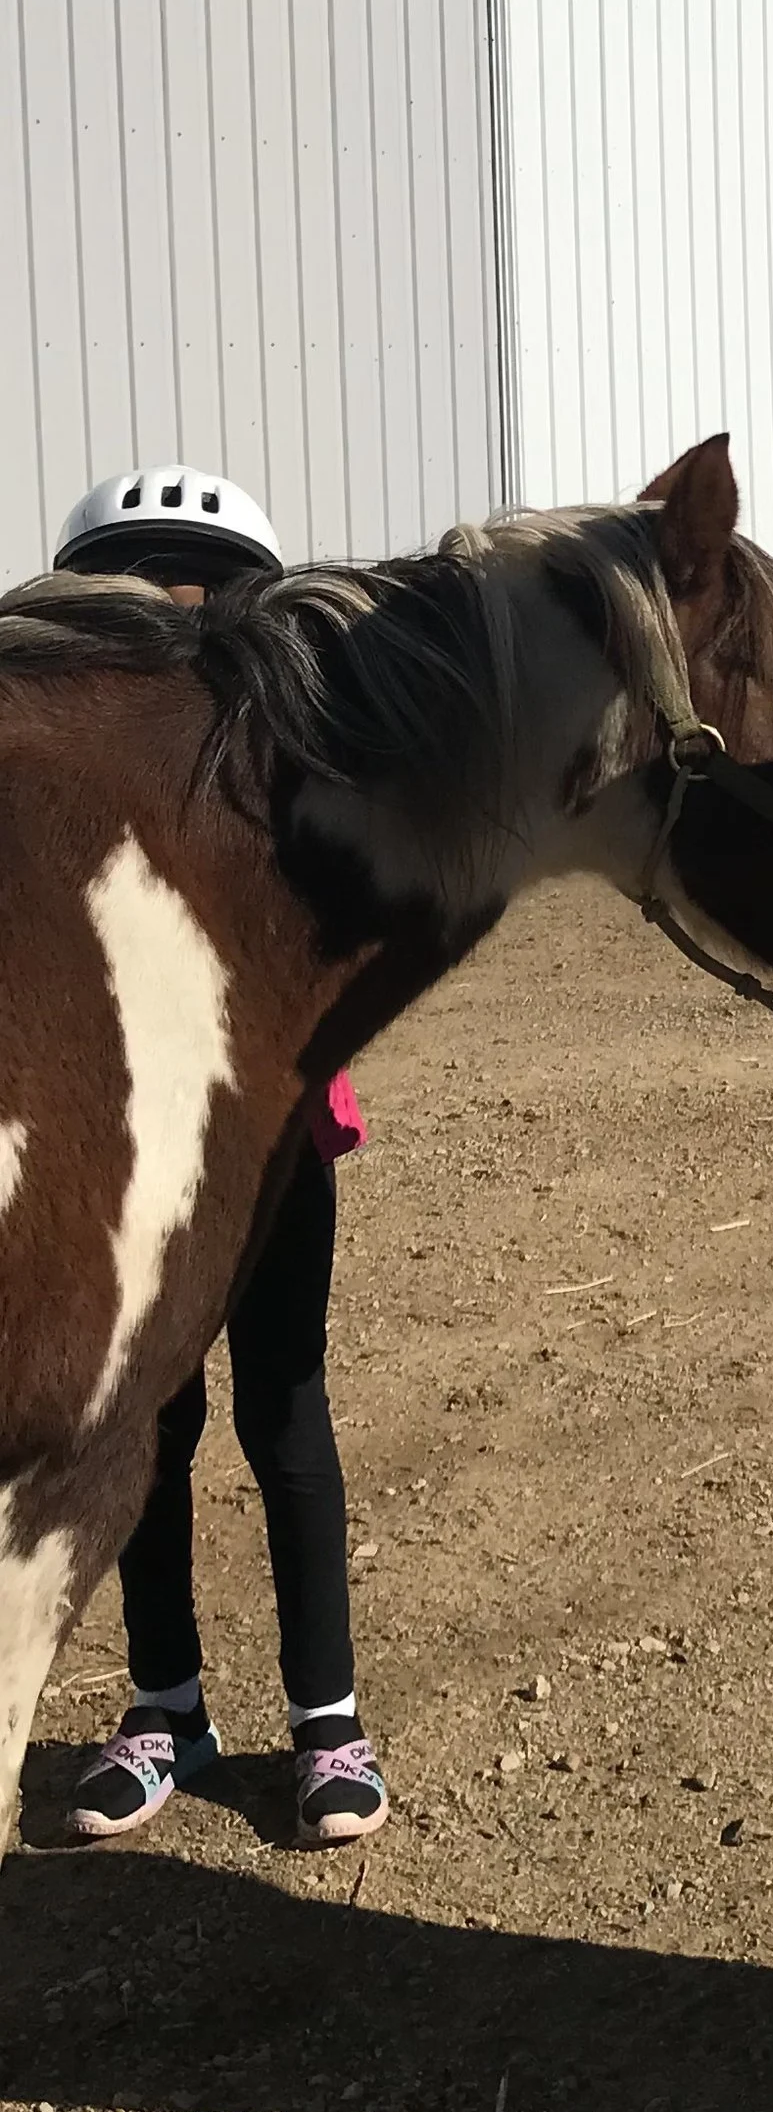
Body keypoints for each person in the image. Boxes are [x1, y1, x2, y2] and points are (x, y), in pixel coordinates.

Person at [49, 464, 389, 1850]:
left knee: (286, 1416)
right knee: (152, 1429)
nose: (172, 623)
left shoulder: (291, 777)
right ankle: (165, 1704)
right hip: (130, 1159)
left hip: (271, 1149)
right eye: (141, 596)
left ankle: (328, 1719)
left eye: (199, 595)